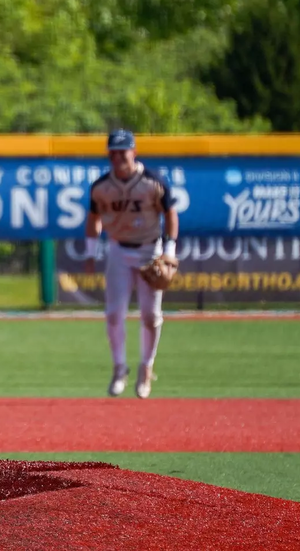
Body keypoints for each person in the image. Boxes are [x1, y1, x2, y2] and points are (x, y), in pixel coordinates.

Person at [84, 129, 179, 399]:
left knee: (150, 316)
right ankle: (119, 368)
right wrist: (91, 252)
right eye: (113, 153)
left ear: (134, 152)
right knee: (114, 314)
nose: (117, 158)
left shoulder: (152, 182)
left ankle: (146, 368)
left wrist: (169, 250)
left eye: (122, 152)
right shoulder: (101, 186)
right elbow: (94, 218)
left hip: (151, 250)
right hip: (118, 250)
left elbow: (170, 213)